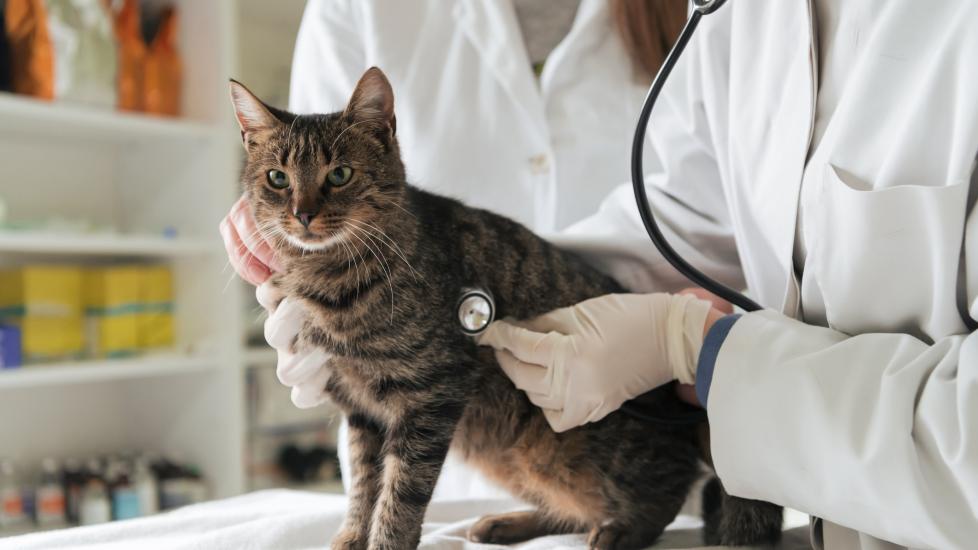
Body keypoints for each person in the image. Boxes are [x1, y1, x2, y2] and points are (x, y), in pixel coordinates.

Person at [226, 1, 978, 548]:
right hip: (494, 458)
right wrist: (429, 303)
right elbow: (678, 228)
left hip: (843, 490)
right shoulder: (742, 18)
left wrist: (698, 347)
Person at [222, 0, 689, 502]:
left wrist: (682, 337)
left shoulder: (689, 11)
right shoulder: (352, 8)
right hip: (442, 476)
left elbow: (714, 214)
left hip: (629, 430)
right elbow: (300, 155)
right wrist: (282, 256)